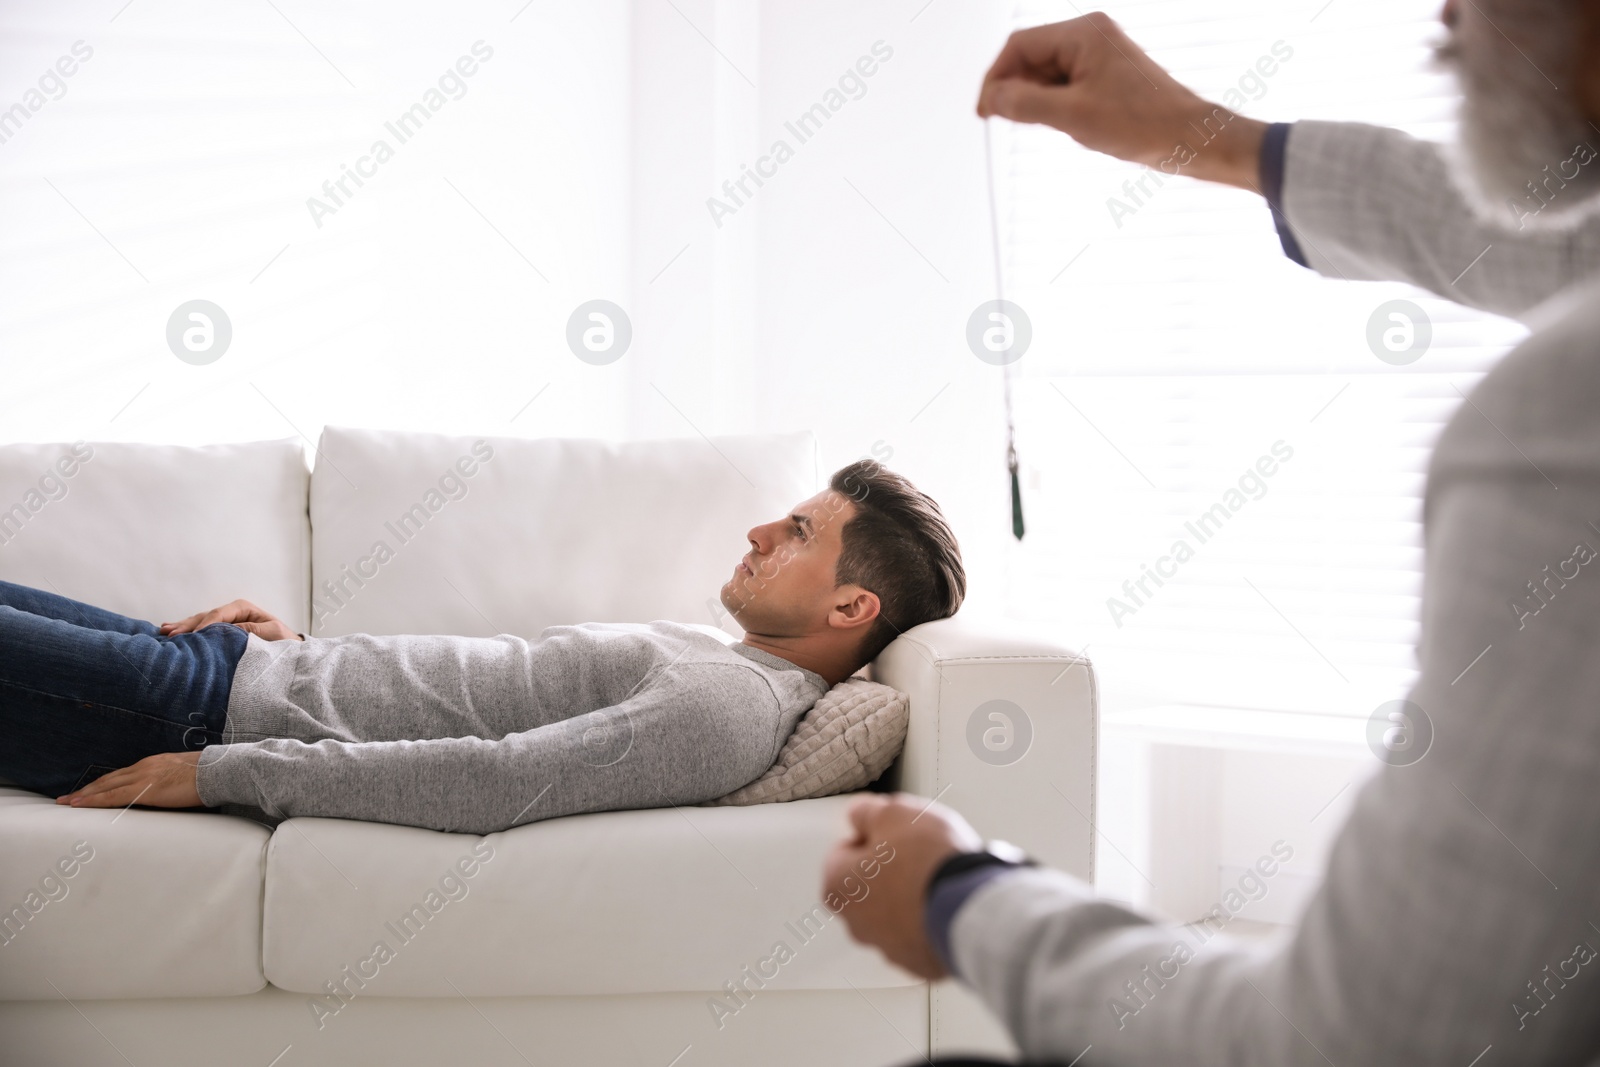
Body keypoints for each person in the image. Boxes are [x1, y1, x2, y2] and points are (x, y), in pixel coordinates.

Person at [823, 4, 1600, 1065]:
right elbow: (1552, 240)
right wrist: (1206, 133)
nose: (1443, 16)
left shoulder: (1565, 417)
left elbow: (1366, 1041)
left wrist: (963, 900)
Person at [1, 460, 964, 834]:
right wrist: (302, 651)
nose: (760, 531)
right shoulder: (731, 659)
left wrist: (217, 772)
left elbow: (497, 779)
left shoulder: (732, 709)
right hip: (240, 671)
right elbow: (485, 691)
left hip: (195, 713)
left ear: (852, 607)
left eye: (799, 532)